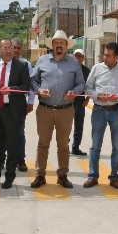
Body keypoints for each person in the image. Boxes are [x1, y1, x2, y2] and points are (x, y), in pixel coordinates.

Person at [30, 30, 85, 189]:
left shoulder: (74, 63)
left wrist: (74, 92)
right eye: (56, 43)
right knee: (43, 144)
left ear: (66, 45)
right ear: (52, 45)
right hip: (45, 109)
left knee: (63, 145)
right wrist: (39, 90)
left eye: (62, 42)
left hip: (65, 110)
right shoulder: (42, 60)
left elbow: (81, 83)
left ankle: (62, 175)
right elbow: (33, 80)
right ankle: (40, 175)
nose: (59, 45)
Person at [82, 42, 118, 189]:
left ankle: (114, 177)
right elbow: (88, 87)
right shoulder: (96, 68)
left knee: (117, 146)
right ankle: (93, 176)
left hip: (117, 112)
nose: (105, 57)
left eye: (108, 55)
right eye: (104, 54)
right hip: (98, 110)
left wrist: (116, 97)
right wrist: (98, 95)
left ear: (117, 57)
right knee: (95, 146)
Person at [0, 39, 31, 188]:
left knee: (12, 144)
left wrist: (11, 89)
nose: (9, 50)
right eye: (5, 47)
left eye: (11, 47)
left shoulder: (21, 66)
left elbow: (26, 87)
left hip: (13, 110)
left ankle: (9, 176)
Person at [7, 37, 35, 171]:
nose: (16, 50)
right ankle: (3, 159)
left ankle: (20, 160)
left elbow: (31, 85)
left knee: (19, 133)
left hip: (19, 104)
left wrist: (30, 102)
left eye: (19, 48)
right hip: (3, 104)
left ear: (21, 50)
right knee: (4, 132)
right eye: (14, 47)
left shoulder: (26, 64)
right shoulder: (3, 63)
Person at [70, 48, 91, 156]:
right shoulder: (68, 69)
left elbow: (90, 86)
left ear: (83, 57)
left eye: (80, 56)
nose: (78, 58)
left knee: (79, 126)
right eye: (76, 56)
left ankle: (75, 147)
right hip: (68, 102)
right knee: (66, 126)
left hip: (81, 103)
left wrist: (87, 99)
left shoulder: (87, 71)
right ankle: (64, 147)